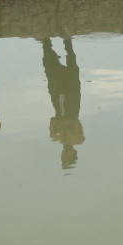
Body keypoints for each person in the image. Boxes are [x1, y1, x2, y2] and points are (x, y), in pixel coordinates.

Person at [41, 37, 84, 169]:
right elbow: (75, 122)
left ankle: (46, 43)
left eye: (64, 157)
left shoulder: (56, 138)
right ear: (73, 154)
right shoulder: (78, 140)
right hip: (71, 104)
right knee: (72, 71)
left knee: (51, 72)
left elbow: (53, 120)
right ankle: (67, 41)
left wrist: (62, 128)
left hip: (59, 105)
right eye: (68, 157)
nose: (65, 154)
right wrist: (65, 127)